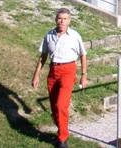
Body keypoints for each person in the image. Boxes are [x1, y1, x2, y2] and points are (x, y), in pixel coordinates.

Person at [32, 8, 88, 148]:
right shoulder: (49, 35)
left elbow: (83, 55)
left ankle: (62, 140)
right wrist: (36, 75)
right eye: (59, 18)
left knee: (61, 105)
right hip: (53, 71)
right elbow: (43, 56)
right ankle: (61, 132)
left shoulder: (74, 36)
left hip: (68, 71)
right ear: (55, 19)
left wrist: (84, 76)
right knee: (54, 107)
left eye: (65, 19)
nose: (62, 21)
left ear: (69, 21)